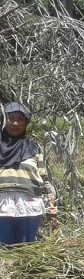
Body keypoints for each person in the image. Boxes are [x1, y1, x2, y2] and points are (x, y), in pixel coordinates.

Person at [0, 102, 57, 246]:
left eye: (20, 119)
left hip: (29, 206)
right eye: (10, 118)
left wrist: (51, 207)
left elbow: (44, 179)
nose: (15, 123)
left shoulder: (33, 148)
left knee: (26, 250)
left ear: (26, 123)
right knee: (4, 252)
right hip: (2, 206)